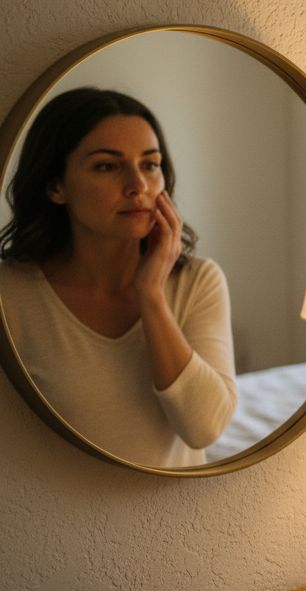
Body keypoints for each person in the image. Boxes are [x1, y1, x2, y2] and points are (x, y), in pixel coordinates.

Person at [0, 87, 236, 467]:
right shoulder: (11, 294)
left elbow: (204, 429)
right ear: (56, 186)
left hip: (176, 506)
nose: (138, 186)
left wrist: (151, 294)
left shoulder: (198, 281)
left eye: (150, 164)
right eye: (107, 167)